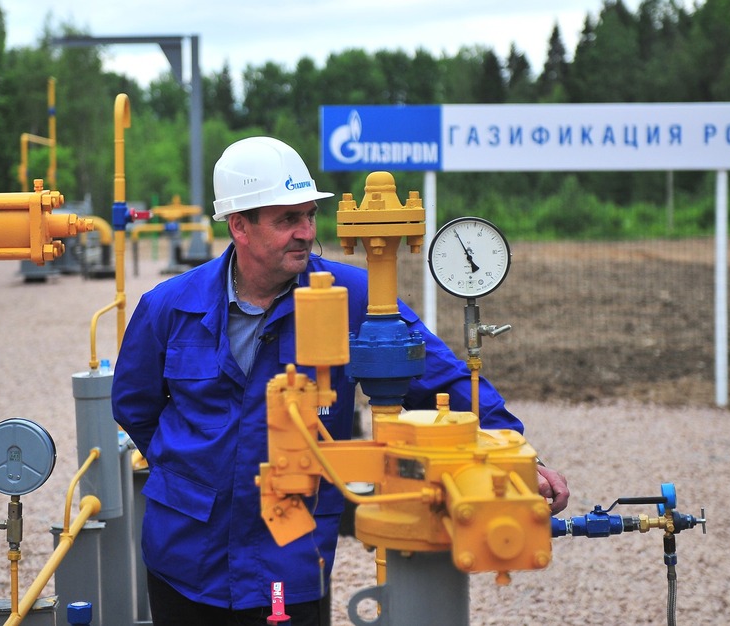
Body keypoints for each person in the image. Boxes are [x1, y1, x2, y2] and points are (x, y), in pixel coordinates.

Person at [112, 136, 569, 626]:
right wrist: (192, 469)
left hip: (288, 550)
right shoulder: (169, 307)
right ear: (239, 225)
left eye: (309, 216)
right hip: (186, 552)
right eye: (287, 219)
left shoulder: (355, 297)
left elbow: (446, 377)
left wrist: (519, 456)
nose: (306, 232)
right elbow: (134, 405)